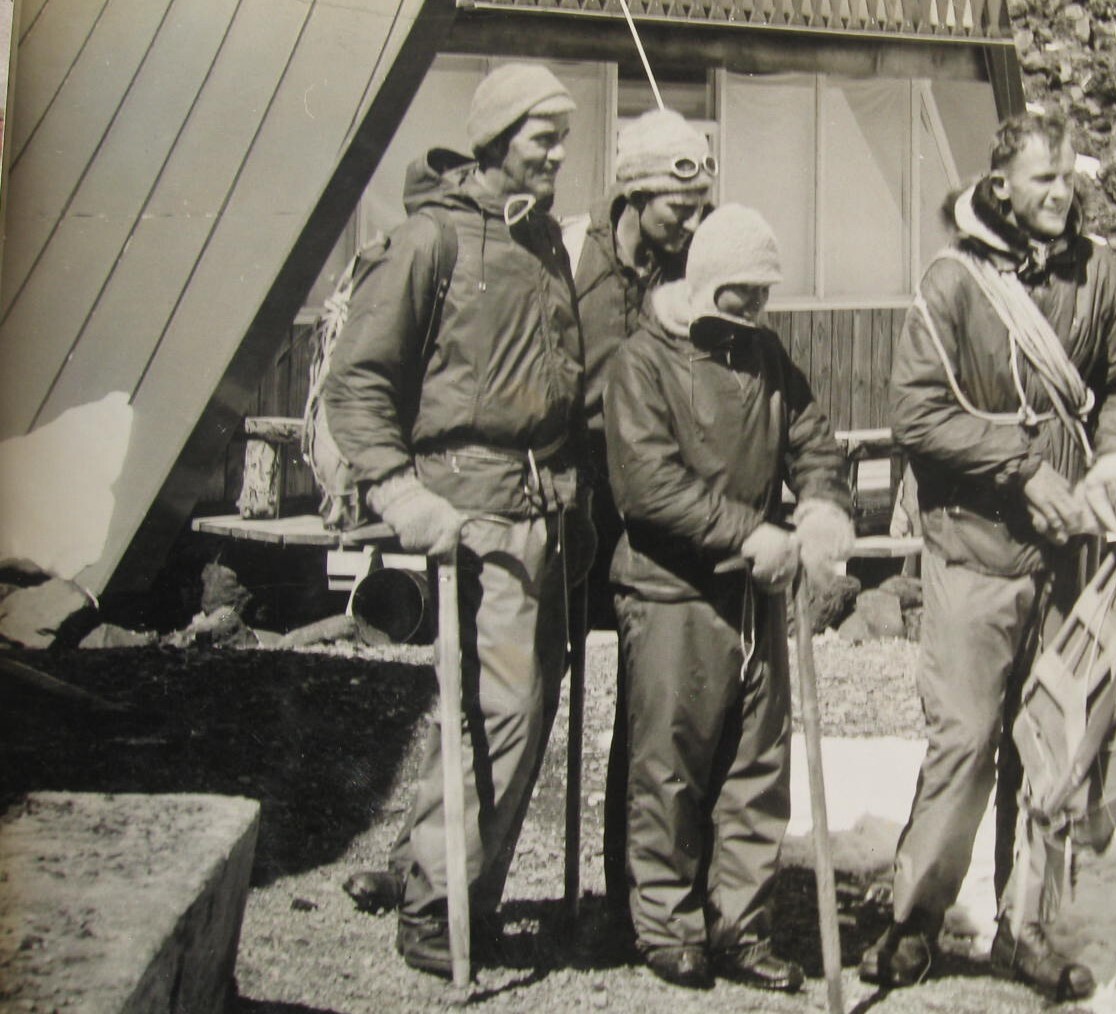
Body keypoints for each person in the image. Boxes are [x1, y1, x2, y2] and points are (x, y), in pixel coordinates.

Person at [322, 62, 592, 978]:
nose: (559, 151)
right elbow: (356, 383)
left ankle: (416, 867)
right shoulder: (428, 242)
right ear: (495, 138)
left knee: (486, 708)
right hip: (465, 507)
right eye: (541, 135)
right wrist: (399, 492)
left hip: (542, 507)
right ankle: (443, 908)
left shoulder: (544, 242)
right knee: (505, 712)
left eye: (563, 135)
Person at [873, 108, 1116, 1002]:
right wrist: (1023, 465)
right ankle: (914, 918)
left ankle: (1024, 931)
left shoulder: (1097, 274)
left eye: (1068, 178)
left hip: (1069, 561)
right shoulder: (952, 284)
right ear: (999, 187)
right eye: (1042, 180)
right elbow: (915, 414)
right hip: (973, 557)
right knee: (965, 743)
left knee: (1055, 750)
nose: (1061, 195)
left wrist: (1115, 458)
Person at [604, 204, 854, 991]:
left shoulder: (767, 355)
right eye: (741, 293)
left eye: (764, 294)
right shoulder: (643, 362)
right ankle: (666, 924)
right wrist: (749, 532)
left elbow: (812, 438)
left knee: (756, 761)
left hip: (757, 587)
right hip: (672, 587)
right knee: (671, 761)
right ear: (705, 281)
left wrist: (818, 506)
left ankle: (741, 927)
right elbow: (648, 487)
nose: (755, 310)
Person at [564, 107, 715, 928]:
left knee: (649, 694)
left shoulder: (692, 269)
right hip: (572, 493)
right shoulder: (567, 255)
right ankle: (434, 864)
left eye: (697, 210)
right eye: (675, 209)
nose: (689, 225)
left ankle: (635, 887)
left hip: (651, 497)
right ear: (633, 194)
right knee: (525, 681)